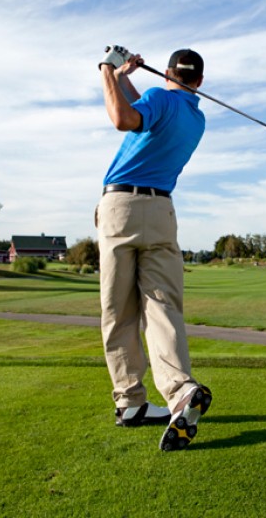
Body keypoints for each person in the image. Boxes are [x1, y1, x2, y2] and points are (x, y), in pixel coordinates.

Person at [95, 45, 213, 451]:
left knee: (119, 311)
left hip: (121, 208)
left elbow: (124, 118)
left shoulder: (159, 98)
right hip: (161, 211)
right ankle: (180, 391)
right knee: (161, 307)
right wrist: (127, 76)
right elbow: (147, 109)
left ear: (166, 72)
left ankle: (129, 400)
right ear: (199, 82)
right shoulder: (196, 117)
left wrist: (106, 71)